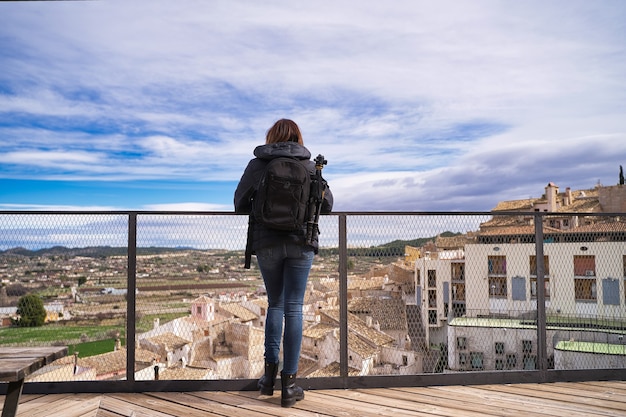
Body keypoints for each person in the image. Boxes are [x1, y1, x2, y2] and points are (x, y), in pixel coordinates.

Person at [234, 119, 333, 407]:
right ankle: (289, 386)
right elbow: (327, 205)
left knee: (275, 304)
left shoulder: (259, 164)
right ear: (298, 138)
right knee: (294, 307)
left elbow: (239, 202)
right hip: (302, 242)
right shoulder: (308, 165)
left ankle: (267, 379)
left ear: (271, 138)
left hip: (266, 242)